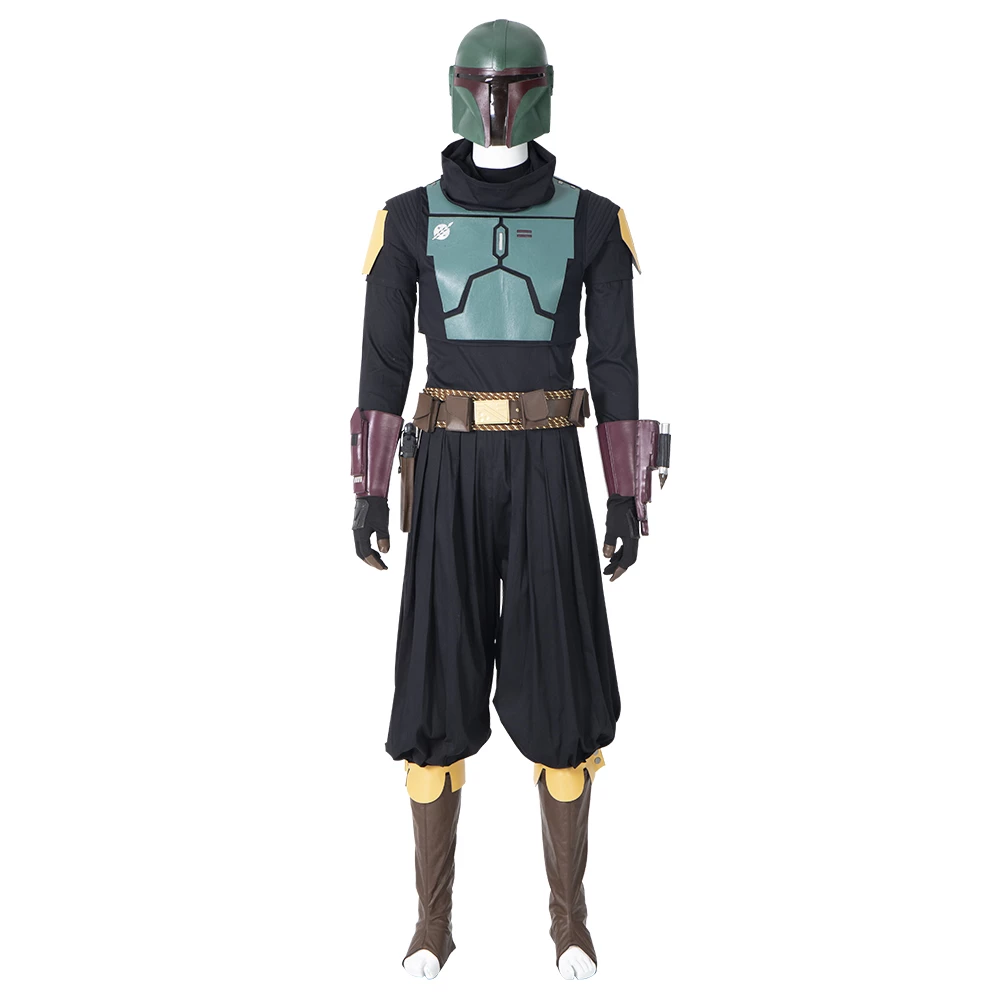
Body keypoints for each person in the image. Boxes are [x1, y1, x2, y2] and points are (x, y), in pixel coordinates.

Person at [349, 19, 667, 980]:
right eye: (486, 87)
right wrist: (370, 487)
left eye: (512, 86)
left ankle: (570, 922)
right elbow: (382, 362)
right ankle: (431, 924)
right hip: (444, 463)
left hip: (547, 466)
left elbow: (616, 363)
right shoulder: (407, 220)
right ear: (461, 90)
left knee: (560, 688)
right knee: (434, 689)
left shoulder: (594, 220)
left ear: (540, 91)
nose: (498, 105)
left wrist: (627, 495)